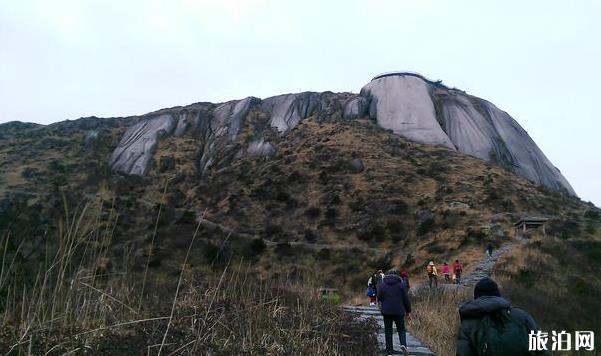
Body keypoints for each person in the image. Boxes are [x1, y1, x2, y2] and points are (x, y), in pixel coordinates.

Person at [457, 277, 550, 356]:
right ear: (498, 295)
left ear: (476, 297)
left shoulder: (468, 324)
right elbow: (541, 350)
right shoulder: (521, 316)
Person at [377, 268, 411, 356]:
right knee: (401, 329)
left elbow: (379, 297)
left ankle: (389, 351)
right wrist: (408, 310)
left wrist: (383, 302)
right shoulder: (401, 285)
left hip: (387, 311)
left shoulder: (383, 285)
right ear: (397, 276)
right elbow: (406, 299)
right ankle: (403, 345)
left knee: (388, 330)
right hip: (399, 311)